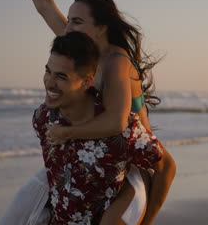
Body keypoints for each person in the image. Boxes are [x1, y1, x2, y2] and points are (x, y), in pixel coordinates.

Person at [7, 0, 176, 224]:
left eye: (77, 21)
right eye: (69, 19)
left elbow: (116, 122)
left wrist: (65, 133)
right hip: (90, 154)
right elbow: (44, 7)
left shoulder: (116, 61)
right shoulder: (82, 49)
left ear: (101, 27)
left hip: (127, 161)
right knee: (17, 214)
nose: (68, 27)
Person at [38, 32, 164, 224]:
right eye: (48, 71)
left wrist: (145, 219)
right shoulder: (43, 117)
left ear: (87, 82)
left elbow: (164, 168)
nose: (49, 83)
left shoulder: (123, 130)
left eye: (61, 76)